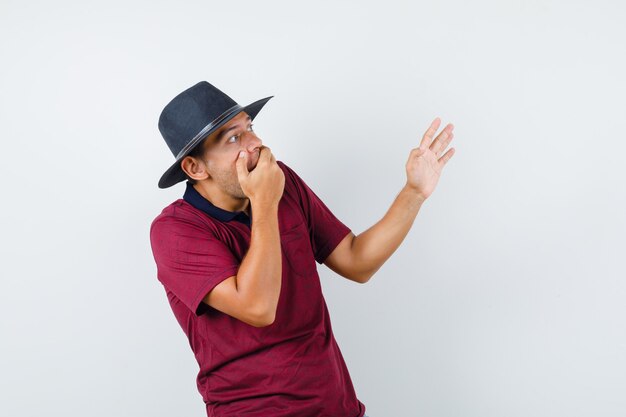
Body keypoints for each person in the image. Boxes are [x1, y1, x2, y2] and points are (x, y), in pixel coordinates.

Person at [149, 81, 455, 417]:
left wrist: (413, 192)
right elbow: (258, 308)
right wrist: (265, 202)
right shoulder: (175, 231)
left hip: (337, 406)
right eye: (233, 138)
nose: (256, 143)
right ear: (195, 168)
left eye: (250, 128)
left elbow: (356, 261)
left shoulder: (283, 182)